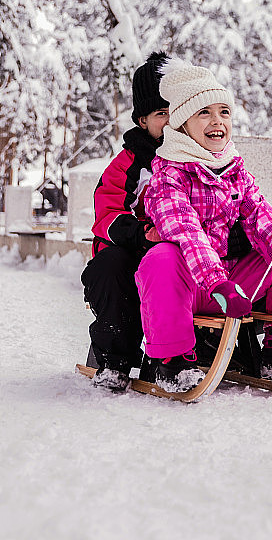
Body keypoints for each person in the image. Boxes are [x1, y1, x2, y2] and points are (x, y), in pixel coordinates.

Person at [134, 59, 272, 394]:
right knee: (161, 258)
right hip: (195, 287)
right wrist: (216, 283)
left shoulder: (235, 172)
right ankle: (173, 359)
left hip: (235, 288)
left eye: (224, 112)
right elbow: (187, 233)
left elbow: (266, 222)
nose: (217, 121)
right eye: (204, 113)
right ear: (181, 124)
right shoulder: (167, 174)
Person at [81, 51, 169, 392]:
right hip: (132, 250)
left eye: (176, 112)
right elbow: (108, 214)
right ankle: (115, 359)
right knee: (111, 268)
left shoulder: (195, 159)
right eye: (161, 113)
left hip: (179, 251)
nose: (170, 120)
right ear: (143, 120)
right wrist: (143, 234)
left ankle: (180, 354)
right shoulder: (128, 164)